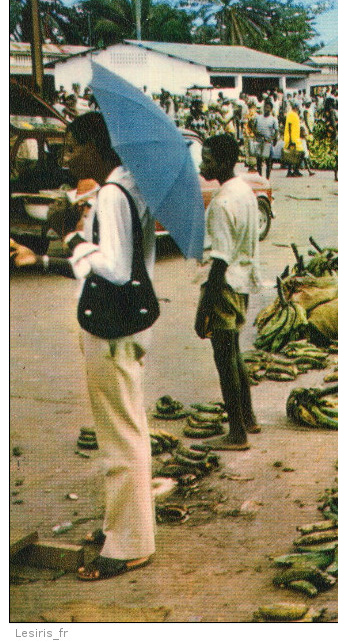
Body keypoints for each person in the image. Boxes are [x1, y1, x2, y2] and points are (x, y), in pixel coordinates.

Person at [10, 112, 157, 581]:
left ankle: (130, 543)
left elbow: (112, 268)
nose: (66, 155)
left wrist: (69, 232)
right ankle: (124, 527)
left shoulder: (114, 195)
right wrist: (49, 255)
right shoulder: (129, 186)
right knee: (126, 429)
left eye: (73, 146)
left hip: (110, 329)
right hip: (126, 324)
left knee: (120, 438)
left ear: (98, 147)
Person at [194, 134, 261, 451]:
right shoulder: (244, 191)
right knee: (234, 354)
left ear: (222, 162)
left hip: (224, 286)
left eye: (207, 159)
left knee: (225, 358)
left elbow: (218, 260)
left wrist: (203, 308)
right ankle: (247, 417)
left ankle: (236, 433)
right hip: (243, 282)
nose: (202, 164)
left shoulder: (221, 202)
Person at [253, 100, 278, 179]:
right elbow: (253, 127)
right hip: (259, 142)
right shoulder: (258, 118)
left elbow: (276, 132)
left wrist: (273, 139)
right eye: (265, 107)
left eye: (268, 107)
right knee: (259, 162)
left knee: (268, 162)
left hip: (268, 143)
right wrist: (256, 133)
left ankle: (267, 178)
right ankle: (260, 177)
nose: (266, 109)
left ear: (271, 109)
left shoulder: (273, 120)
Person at [281, 101, 304, 177]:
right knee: (299, 153)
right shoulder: (291, 114)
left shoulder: (294, 114)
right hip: (292, 138)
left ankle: (294, 171)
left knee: (294, 154)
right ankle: (293, 171)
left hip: (295, 138)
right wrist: (290, 140)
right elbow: (290, 126)